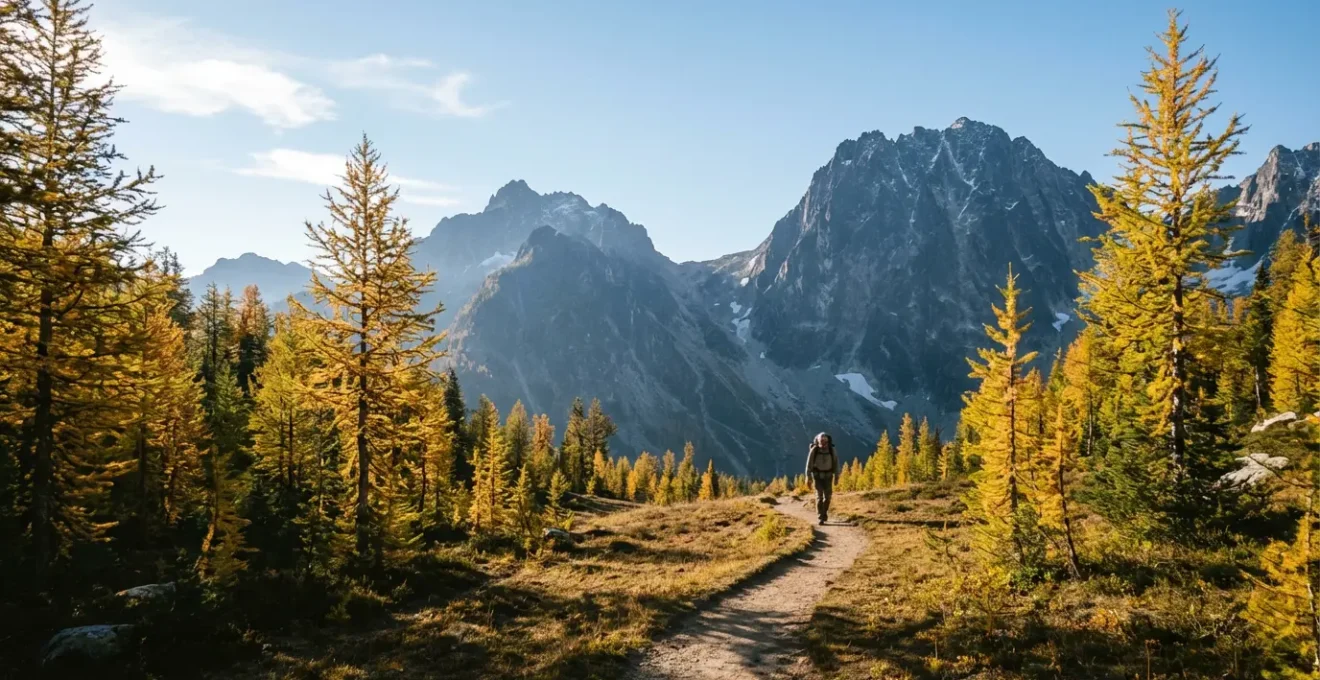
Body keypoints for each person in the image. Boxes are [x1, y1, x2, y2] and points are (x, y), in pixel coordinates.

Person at [805, 432, 839, 525]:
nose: (822, 444)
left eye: (824, 442)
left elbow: (836, 463)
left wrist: (836, 477)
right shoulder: (814, 450)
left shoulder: (832, 450)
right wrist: (808, 477)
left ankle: (824, 513)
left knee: (827, 497)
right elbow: (809, 464)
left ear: (827, 441)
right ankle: (820, 517)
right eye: (821, 442)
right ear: (818, 441)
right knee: (819, 496)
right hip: (817, 477)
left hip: (828, 477)